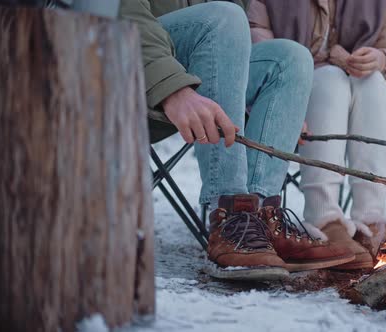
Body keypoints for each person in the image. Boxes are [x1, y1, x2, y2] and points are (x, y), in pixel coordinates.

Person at [119, 0, 354, 280]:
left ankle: (259, 218)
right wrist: (173, 87)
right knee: (223, 17)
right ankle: (231, 215)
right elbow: (118, 9)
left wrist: (274, 105)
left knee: (290, 57)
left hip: (188, 63)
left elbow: (228, 45)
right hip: (116, 58)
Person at [248, 0, 386, 269]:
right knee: (329, 79)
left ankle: (371, 219)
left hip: (359, 96)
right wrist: (285, 100)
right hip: (290, 94)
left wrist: (384, 58)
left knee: (373, 82)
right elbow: (258, 45)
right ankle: (324, 217)